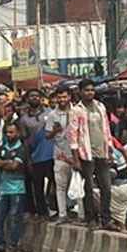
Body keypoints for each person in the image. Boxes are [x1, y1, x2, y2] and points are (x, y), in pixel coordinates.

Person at [69, 79, 115, 230]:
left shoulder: (100, 107)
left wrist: (109, 149)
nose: (90, 93)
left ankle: (106, 219)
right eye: (87, 90)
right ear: (80, 92)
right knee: (88, 188)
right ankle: (91, 219)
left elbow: (106, 129)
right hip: (86, 154)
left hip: (102, 152)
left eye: (92, 90)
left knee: (106, 187)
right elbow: (73, 136)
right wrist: (76, 159)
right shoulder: (76, 110)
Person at [0, 121, 28, 252]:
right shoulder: (2, 147)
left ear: (18, 133)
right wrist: (7, 162)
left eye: (12, 132)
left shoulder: (22, 149)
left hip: (18, 189)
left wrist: (2, 163)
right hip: (3, 187)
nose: (9, 135)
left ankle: (12, 245)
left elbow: (15, 166)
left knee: (14, 218)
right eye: (7, 132)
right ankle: (0, 243)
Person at [21, 89, 54, 220]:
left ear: (41, 98)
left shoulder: (50, 113)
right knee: (37, 186)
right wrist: (28, 159)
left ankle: (55, 209)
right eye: (31, 96)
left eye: (37, 96)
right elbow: (25, 140)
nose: (34, 98)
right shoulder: (24, 119)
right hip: (35, 156)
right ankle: (42, 212)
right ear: (27, 99)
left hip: (51, 154)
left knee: (54, 184)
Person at [47, 87, 77, 223]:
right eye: (59, 97)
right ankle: (62, 214)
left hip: (76, 154)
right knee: (60, 186)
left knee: (77, 185)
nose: (62, 100)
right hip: (59, 154)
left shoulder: (77, 111)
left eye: (64, 97)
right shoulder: (53, 115)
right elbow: (47, 135)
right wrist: (55, 131)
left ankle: (80, 215)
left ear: (69, 97)